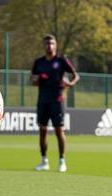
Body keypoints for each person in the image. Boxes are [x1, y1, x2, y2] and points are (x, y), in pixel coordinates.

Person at [30, 34, 78, 171]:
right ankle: (44, 161)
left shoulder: (61, 61)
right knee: (42, 131)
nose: (49, 46)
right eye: (47, 44)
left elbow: (76, 75)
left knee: (59, 130)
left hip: (57, 100)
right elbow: (32, 80)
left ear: (55, 45)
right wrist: (37, 79)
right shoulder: (38, 62)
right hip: (43, 100)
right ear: (43, 46)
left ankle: (62, 161)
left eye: (51, 44)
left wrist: (70, 83)